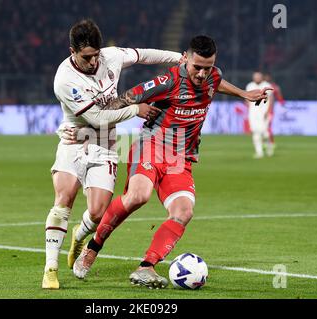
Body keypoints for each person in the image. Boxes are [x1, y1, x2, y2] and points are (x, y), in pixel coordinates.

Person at [71, 35, 272, 288]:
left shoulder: (213, 75)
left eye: (207, 68)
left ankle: (146, 267)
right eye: (196, 67)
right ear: (185, 58)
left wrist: (245, 94)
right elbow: (126, 99)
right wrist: (89, 129)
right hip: (151, 147)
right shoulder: (167, 81)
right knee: (138, 196)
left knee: (183, 212)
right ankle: (92, 249)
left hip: (181, 157)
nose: (201, 74)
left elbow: (217, 83)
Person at [42, 19, 183, 289]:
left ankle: (80, 234)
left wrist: (180, 60)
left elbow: (144, 55)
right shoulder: (65, 79)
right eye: (86, 57)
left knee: (97, 212)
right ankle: (51, 269)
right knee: (63, 199)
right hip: (74, 139)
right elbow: (95, 117)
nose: (94, 61)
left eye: (96, 54)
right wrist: (135, 109)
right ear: (72, 51)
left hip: (105, 143)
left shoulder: (110, 56)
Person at [245, 71, 274, 158]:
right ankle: (259, 152)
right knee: (255, 132)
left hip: (264, 112)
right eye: (255, 77)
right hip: (253, 112)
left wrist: (268, 111)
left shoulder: (267, 85)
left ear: (261, 77)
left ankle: (269, 147)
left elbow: (271, 99)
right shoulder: (250, 85)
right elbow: (246, 97)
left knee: (264, 133)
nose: (256, 78)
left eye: (258, 76)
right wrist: (249, 107)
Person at [263, 73, 285, 148]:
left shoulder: (274, 87)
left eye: (267, 77)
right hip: (260, 110)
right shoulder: (261, 86)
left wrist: (282, 104)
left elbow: (279, 97)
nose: (266, 79)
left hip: (269, 110)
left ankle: (271, 142)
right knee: (261, 127)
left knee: (268, 126)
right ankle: (264, 142)